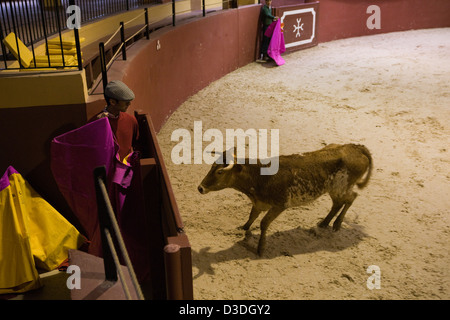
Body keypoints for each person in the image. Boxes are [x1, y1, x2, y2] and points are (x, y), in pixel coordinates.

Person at [91, 80, 139, 162]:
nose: (129, 104)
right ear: (112, 102)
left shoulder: (131, 120)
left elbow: (136, 144)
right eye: (126, 102)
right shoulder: (94, 124)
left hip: (126, 170)